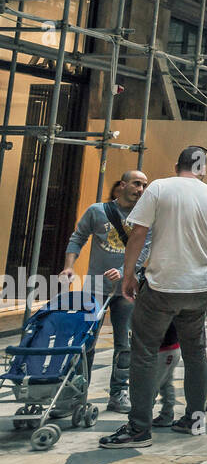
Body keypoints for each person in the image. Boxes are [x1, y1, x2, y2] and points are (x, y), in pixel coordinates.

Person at [100, 146, 207, 450]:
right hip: (199, 289)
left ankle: (139, 428)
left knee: (143, 353)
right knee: (195, 354)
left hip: (163, 287)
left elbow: (138, 234)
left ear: (176, 164)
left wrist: (129, 275)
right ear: (203, 169)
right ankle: (194, 420)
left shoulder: (159, 188)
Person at [62, 169, 150, 415]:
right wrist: (69, 266)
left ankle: (118, 393)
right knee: (85, 340)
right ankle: (77, 393)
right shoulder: (97, 211)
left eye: (144, 185)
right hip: (95, 288)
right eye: (136, 184)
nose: (141, 189)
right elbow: (77, 237)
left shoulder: (146, 217)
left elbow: (144, 250)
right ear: (122, 185)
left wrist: (123, 271)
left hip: (127, 289)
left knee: (124, 343)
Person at [145, 321, 180, 428]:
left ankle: (142, 417)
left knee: (151, 385)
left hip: (163, 351)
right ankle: (167, 414)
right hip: (173, 349)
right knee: (166, 383)